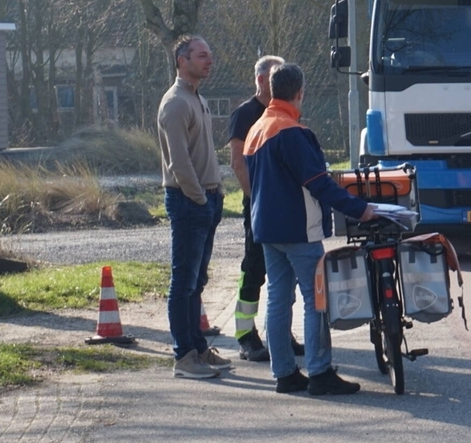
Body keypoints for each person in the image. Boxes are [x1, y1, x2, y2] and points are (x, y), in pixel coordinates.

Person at [244, 63, 375, 394]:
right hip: (299, 229)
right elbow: (319, 184)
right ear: (300, 92)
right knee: (316, 298)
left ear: (273, 90)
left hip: (267, 229)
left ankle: (284, 373)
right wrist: (362, 210)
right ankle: (319, 372)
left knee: (277, 300)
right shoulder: (292, 131)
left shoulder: (258, 128)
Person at [157, 35, 232, 380]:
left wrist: (214, 194)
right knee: (184, 281)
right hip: (189, 200)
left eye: (210, 55)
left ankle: (198, 349)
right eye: (202, 55)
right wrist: (200, 198)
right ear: (182, 60)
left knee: (196, 280)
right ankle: (184, 356)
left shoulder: (195, 98)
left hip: (206, 198)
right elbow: (179, 163)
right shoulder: (175, 103)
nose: (209, 61)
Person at [227, 54, 304, 361]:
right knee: (254, 268)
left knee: (285, 273)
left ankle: (280, 334)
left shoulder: (287, 110)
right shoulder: (245, 114)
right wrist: (256, 199)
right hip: (259, 205)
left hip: (283, 205)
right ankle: (245, 334)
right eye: (274, 75)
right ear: (260, 79)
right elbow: (238, 163)